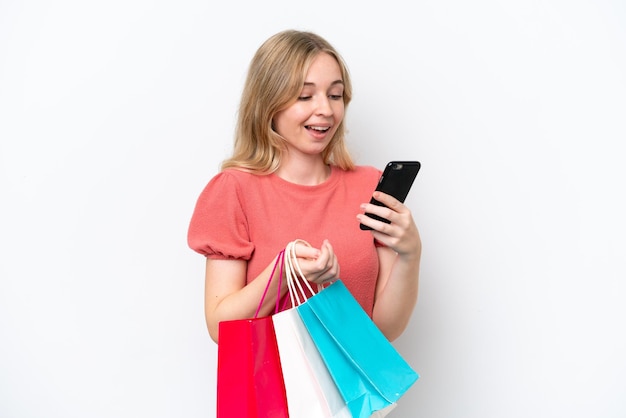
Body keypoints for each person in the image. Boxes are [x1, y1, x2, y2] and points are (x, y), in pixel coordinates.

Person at [187, 29, 421, 344]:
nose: (325, 109)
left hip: (353, 391)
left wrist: (410, 253)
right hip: (271, 390)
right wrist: (283, 274)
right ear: (269, 104)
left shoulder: (369, 187)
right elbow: (221, 328)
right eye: (304, 95)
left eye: (335, 95)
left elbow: (383, 331)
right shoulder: (234, 190)